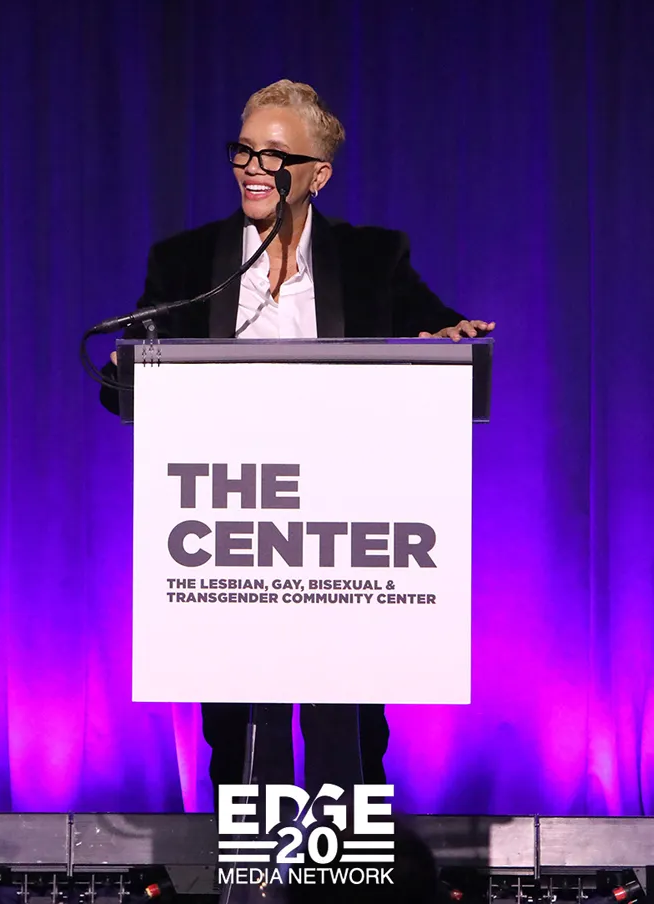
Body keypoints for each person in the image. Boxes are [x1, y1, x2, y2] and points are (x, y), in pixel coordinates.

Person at [100, 79, 495, 806]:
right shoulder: (185, 262)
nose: (253, 168)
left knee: (352, 728)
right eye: (244, 150)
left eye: (275, 156)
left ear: (318, 175)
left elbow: (437, 331)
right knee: (238, 733)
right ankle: (251, 862)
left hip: (341, 540)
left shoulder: (372, 258)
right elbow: (131, 376)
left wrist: (450, 336)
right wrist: (132, 369)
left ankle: (348, 861)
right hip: (233, 532)